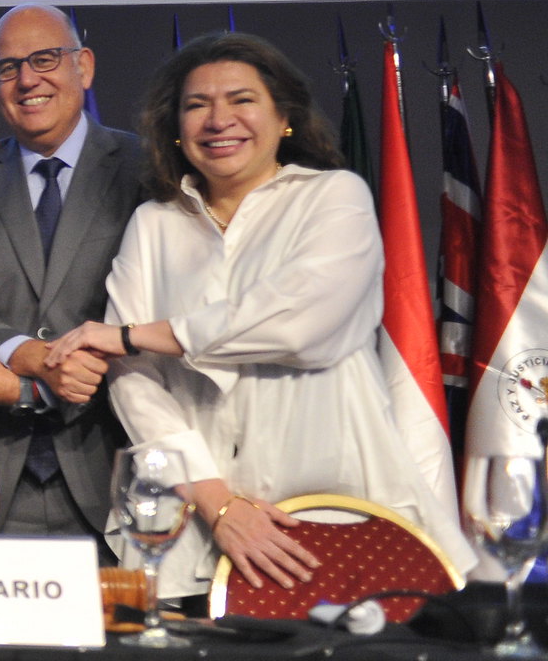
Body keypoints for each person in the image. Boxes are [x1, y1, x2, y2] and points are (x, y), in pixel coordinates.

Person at [48, 32, 473, 596]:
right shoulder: (153, 222)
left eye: (242, 100)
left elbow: (299, 325)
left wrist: (135, 334)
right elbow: (133, 382)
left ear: (285, 117)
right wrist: (218, 504)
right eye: (197, 105)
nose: (219, 119)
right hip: (186, 531)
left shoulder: (335, 197)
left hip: (335, 512)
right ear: (175, 129)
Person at [0, 4, 143, 546]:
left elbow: (151, 319)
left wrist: (21, 387)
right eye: (7, 67)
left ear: (85, 67)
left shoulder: (144, 169)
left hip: (116, 474)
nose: (28, 79)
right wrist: (43, 374)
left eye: (45, 59)